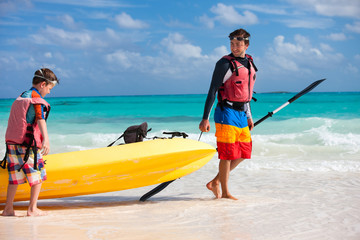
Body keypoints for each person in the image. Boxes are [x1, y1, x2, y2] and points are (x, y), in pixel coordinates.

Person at [199, 28, 257, 200]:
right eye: (232, 44)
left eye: (238, 44)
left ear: (246, 45)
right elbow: (212, 90)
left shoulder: (250, 63)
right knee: (227, 154)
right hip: (226, 113)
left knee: (244, 152)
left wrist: (249, 115)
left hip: (241, 114)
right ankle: (225, 192)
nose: (234, 47)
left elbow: (247, 93)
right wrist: (205, 118)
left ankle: (215, 182)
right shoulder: (224, 64)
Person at [1, 68, 59, 216]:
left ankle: (8, 209)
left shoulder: (22, 96)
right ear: (43, 84)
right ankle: (32, 209)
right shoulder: (35, 98)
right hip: (28, 146)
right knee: (38, 175)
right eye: (50, 88)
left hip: (12, 144)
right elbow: (40, 119)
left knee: (14, 176)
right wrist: (46, 140)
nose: (49, 92)